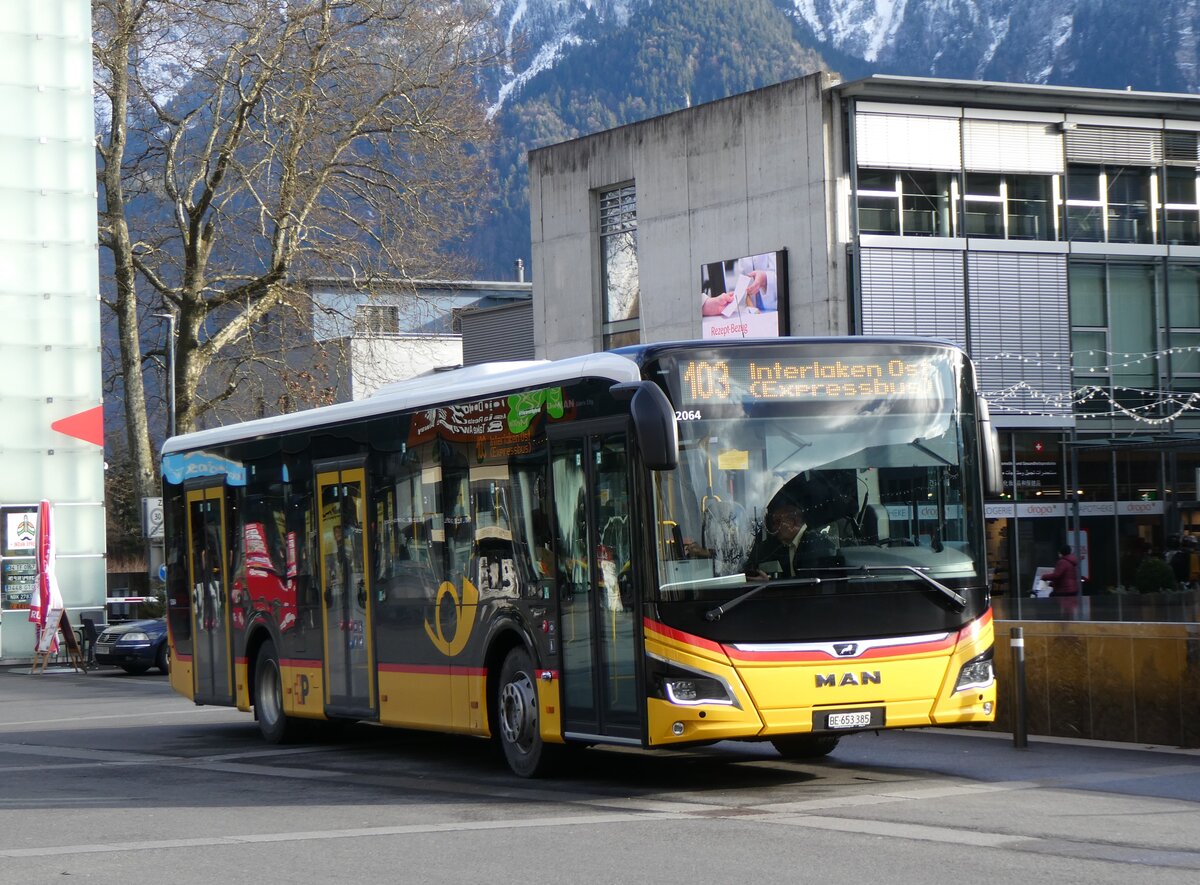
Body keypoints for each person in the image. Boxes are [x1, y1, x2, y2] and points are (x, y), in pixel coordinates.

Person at [744, 498, 838, 580]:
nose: (773, 528)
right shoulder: (787, 545)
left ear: (792, 523)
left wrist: (769, 583)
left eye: (777, 522)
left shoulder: (814, 543)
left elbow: (807, 582)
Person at [1044, 544, 1080, 617]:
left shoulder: (1063, 562)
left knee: (1053, 598)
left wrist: (1044, 576)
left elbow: (1057, 575)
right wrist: (1052, 584)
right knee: (1069, 609)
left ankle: (1059, 619)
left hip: (1064, 590)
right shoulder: (1071, 561)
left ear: (1061, 552)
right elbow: (1064, 578)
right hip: (1072, 589)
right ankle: (1068, 620)